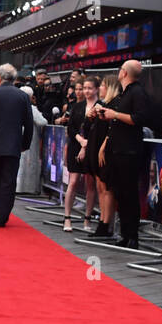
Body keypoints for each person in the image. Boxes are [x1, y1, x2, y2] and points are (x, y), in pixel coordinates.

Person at [95, 60, 152, 248]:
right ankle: (125, 234)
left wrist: (115, 115)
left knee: (129, 194)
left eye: (120, 70)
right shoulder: (125, 93)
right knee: (121, 194)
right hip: (118, 150)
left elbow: (140, 119)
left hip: (129, 152)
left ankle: (132, 236)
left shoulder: (137, 93)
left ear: (124, 73)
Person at [0, 63, 35, 226]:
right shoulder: (23, 97)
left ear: (0, 77)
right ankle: (2, 214)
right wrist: (25, 143)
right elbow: (28, 123)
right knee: (8, 181)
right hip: (13, 146)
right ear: (15, 79)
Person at [85, 74, 121, 237]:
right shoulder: (102, 104)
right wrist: (91, 116)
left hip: (105, 150)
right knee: (100, 187)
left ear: (110, 87)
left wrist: (103, 147)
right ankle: (102, 221)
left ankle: (106, 224)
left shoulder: (115, 105)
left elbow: (112, 130)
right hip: (95, 147)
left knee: (106, 187)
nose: (100, 88)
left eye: (103, 85)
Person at [62, 79, 94, 231]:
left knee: (90, 184)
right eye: (83, 88)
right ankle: (67, 218)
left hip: (92, 148)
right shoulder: (77, 106)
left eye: (89, 88)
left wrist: (86, 144)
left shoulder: (100, 106)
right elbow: (71, 128)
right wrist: (81, 141)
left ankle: (87, 219)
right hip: (76, 145)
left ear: (96, 89)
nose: (86, 91)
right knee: (73, 182)